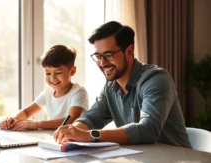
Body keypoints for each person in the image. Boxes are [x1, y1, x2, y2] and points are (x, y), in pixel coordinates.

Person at [53, 21, 192, 148]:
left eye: (108, 55)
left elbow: (148, 129)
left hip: (175, 162)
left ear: (129, 51)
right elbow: (92, 118)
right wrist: (72, 132)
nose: (102, 63)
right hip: (141, 161)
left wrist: (90, 135)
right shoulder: (110, 86)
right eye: (98, 56)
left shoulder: (156, 79)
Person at [0, 45, 89, 131]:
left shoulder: (78, 92)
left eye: (58, 72)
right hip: (56, 138)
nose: (52, 78)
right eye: (48, 73)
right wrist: (13, 119)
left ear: (72, 71)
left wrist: (36, 124)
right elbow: (27, 112)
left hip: (75, 140)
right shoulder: (48, 92)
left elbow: (70, 120)